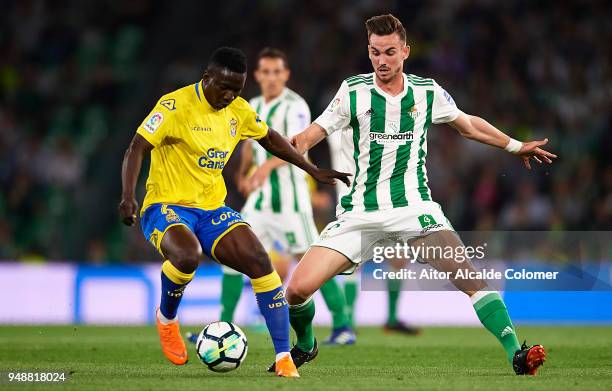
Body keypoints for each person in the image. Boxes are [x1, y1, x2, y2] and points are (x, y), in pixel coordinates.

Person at [271, 14, 555, 375]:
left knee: (469, 278)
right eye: (375, 52)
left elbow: (467, 124)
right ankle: (307, 344)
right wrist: (278, 142)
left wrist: (515, 146)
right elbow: (309, 136)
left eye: (389, 52)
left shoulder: (426, 91)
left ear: (405, 51)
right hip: (359, 214)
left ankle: (517, 353)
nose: (382, 61)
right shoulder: (352, 91)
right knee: (295, 291)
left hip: (414, 209)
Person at [118, 47, 349, 377]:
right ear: (207, 78)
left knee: (259, 259)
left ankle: (284, 356)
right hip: (166, 205)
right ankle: (167, 318)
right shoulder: (173, 105)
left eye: (236, 90)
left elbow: (270, 138)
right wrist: (128, 195)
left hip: (212, 208)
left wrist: (311, 170)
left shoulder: (238, 110)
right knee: (186, 256)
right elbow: (136, 147)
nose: (229, 95)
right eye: (224, 87)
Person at [216, 48, 356, 348]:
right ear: (257, 75)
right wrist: (243, 173)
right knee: (232, 254)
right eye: (265, 72)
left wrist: (266, 166)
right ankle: (223, 325)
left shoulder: (295, 106)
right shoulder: (250, 104)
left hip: (292, 203)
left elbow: (298, 147)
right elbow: (249, 145)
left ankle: (343, 326)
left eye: (276, 71)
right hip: (260, 202)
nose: (271, 77)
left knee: (314, 262)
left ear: (286, 74)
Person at [328, 129, 421, 335]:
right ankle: (349, 321)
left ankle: (392, 318)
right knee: (354, 262)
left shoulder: (376, 116)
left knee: (398, 257)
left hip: (385, 202)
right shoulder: (339, 124)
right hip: (354, 206)